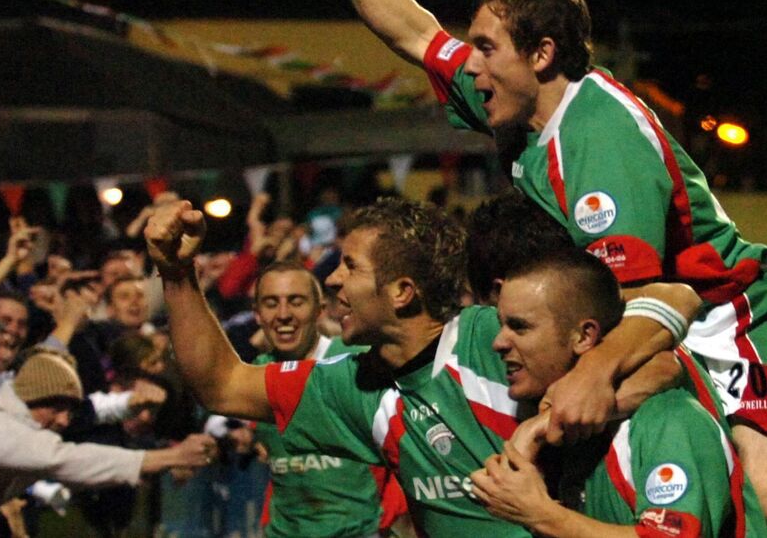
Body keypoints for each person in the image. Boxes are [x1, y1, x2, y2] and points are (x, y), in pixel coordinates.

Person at [278, 0, 767, 537]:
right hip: (655, 314)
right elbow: (416, 34)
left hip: (729, 317)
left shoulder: (599, 146)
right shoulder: (518, 102)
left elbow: (647, 296)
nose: (470, 63)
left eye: (486, 48)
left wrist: (582, 384)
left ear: (540, 54)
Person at [147, 197, 701, 536]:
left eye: (350, 267)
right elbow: (220, 384)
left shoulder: (492, 335)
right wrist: (176, 273)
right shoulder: (353, 384)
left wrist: (593, 374)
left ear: (402, 292)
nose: (333, 281)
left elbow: (671, 312)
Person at [469, 249, 767, 537]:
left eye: (519, 327)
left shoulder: (667, 420)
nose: (498, 342)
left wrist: (542, 515)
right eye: (501, 325)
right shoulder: (572, 432)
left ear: (584, 335)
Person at [0, 347, 217, 535]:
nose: (65, 420)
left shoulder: (21, 420)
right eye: (57, 408)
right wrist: (170, 458)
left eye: (69, 409)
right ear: (33, 398)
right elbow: (67, 459)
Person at [248, 260, 410, 537]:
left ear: (320, 310)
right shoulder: (254, 375)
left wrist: (387, 521)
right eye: (271, 303)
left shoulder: (358, 363)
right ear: (257, 314)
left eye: (296, 301)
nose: (283, 314)